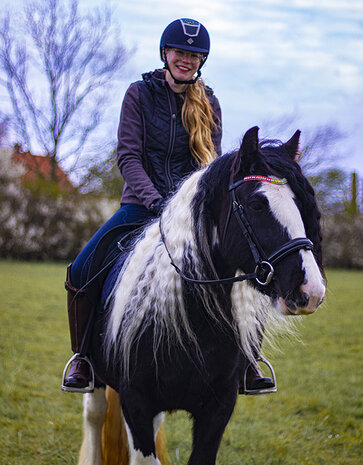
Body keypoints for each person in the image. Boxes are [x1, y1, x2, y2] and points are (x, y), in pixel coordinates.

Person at [62, 18, 274, 395]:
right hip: (141, 206)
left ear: (201, 61)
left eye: (194, 55)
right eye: (179, 52)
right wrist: (155, 201)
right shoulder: (138, 95)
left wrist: (192, 207)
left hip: (191, 213)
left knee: (244, 265)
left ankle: (248, 363)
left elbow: (210, 166)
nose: (186, 60)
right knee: (82, 269)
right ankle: (83, 359)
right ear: (165, 54)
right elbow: (128, 158)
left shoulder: (210, 103)